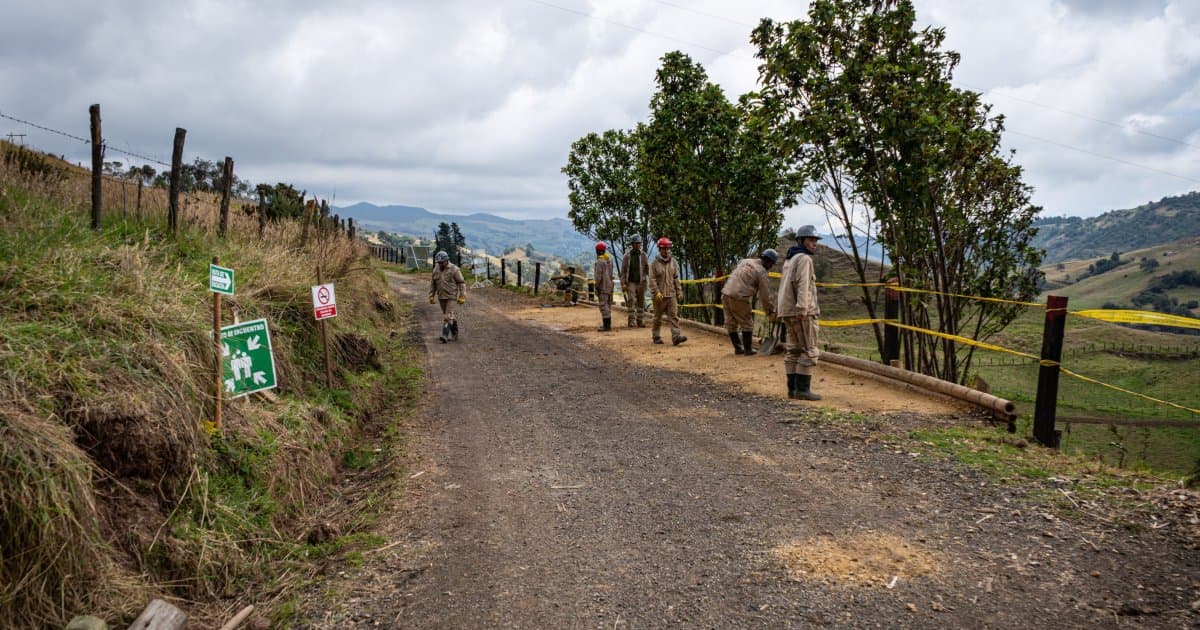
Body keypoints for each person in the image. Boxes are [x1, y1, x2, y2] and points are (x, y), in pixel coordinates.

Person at [776, 226, 822, 399]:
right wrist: (802, 308)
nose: (814, 244)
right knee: (809, 349)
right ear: (801, 241)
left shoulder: (790, 258)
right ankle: (803, 391)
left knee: (794, 349)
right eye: (810, 240)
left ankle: (792, 390)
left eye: (815, 240)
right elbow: (803, 284)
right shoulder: (804, 259)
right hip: (802, 312)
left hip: (787, 311)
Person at [721, 249, 778, 355]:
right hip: (739, 296)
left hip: (726, 293)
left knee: (731, 323)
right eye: (772, 264)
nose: (771, 266)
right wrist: (770, 311)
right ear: (769, 262)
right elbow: (765, 296)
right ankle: (748, 349)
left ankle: (738, 348)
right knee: (747, 323)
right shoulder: (762, 272)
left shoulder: (745, 261)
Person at [648, 237, 687, 346]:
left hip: (671, 294)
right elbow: (652, 279)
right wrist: (656, 292)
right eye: (664, 249)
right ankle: (656, 336)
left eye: (668, 249)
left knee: (673, 316)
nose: (667, 251)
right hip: (659, 296)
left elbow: (676, 278)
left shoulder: (673, 262)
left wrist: (679, 291)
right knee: (657, 317)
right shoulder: (654, 264)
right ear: (660, 249)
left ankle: (676, 336)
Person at [429, 250, 466, 343]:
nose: (440, 264)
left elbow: (461, 283)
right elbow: (433, 283)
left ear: (446, 260)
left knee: (446, 316)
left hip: (451, 296)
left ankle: (444, 335)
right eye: (439, 262)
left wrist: (462, 296)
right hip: (441, 296)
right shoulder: (436, 269)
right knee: (450, 315)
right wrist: (431, 295)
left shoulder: (454, 269)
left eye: (441, 262)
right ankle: (455, 334)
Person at [621, 235, 650, 327]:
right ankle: (631, 320)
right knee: (631, 300)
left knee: (641, 301)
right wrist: (623, 283)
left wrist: (650, 280)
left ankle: (640, 320)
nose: (637, 245)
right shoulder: (627, 256)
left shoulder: (643, 255)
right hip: (631, 282)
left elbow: (647, 268)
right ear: (632, 244)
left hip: (641, 281)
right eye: (635, 243)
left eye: (638, 243)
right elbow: (623, 270)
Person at [593, 242, 615, 331]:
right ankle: (608, 325)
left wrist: (596, 286)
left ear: (597, 251)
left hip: (603, 287)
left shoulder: (599, 262)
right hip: (610, 286)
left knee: (603, 306)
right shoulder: (609, 260)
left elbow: (598, 277)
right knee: (608, 306)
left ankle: (606, 326)